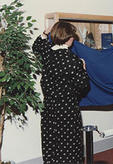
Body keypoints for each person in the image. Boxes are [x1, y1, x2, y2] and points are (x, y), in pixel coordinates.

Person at [32, 21, 90, 163]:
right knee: (70, 148)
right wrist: (83, 69)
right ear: (69, 38)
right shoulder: (73, 60)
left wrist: (45, 33)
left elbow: (36, 46)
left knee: (51, 146)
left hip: (49, 110)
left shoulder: (47, 55)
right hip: (68, 111)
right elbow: (83, 86)